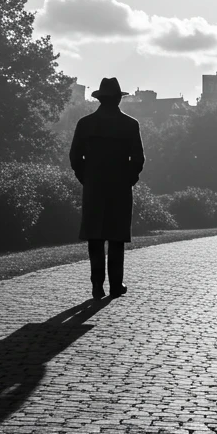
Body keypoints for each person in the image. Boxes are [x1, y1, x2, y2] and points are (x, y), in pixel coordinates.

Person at [69, 77, 145, 299]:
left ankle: (96, 285)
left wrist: (85, 177)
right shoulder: (130, 125)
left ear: (100, 99)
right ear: (118, 99)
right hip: (120, 187)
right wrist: (128, 179)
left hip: (94, 186)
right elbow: (138, 159)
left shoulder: (85, 124)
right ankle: (115, 284)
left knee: (95, 237)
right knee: (116, 237)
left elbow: (75, 156)